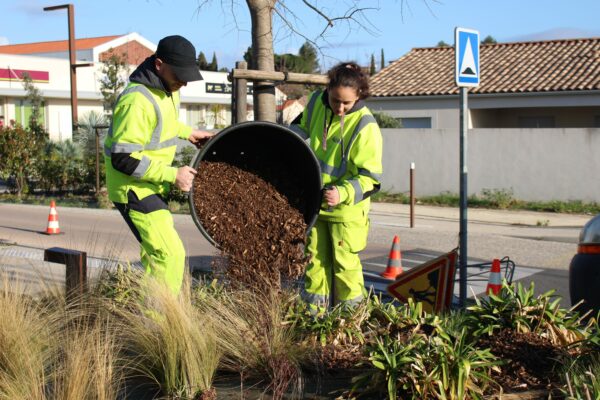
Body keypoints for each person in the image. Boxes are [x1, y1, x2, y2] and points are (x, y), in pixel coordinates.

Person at [104, 35, 214, 295]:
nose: (184, 82)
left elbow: (162, 123)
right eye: (180, 75)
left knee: (159, 255)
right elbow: (122, 158)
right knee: (169, 255)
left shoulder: (167, 89)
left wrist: (188, 132)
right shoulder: (136, 101)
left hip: (150, 184)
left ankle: (153, 317)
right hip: (133, 188)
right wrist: (171, 174)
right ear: (159, 64)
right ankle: (157, 323)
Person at [290, 62, 383, 308]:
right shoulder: (315, 103)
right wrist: (286, 142)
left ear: (359, 96)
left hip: (346, 213)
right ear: (327, 91)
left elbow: (371, 179)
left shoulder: (366, 127)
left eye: (347, 103)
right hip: (316, 205)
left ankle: (349, 325)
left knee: (345, 268)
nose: (339, 108)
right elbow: (298, 128)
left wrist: (342, 192)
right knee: (314, 265)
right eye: (335, 101)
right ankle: (315, 321)